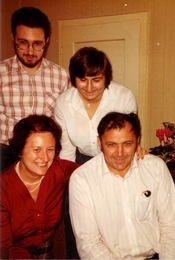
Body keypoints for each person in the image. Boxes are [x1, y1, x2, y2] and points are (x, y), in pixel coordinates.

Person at [54, 46, 146, 258]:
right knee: (79, 226)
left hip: (117, 160)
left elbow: (127, 137)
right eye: (82, 79)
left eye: (96, 79)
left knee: (116, 223)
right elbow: (67, 150)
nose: (89, 87)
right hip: (79, 162)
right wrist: (71, 185)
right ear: (73, 78)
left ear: (107, 77)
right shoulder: (64, 102)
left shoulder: (123, 97)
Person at [69, 112, 175, 259]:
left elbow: (173, 225)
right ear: (99, 142)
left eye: (127, 144)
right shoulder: (82, 179)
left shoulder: (156, 168)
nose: (120, 153)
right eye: (111, 145)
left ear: (138, 141)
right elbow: (89, 243)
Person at [0, 7, 70, 172]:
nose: (30, 51)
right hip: (5, 156)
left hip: (44, 158)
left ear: (46, 41)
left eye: (37, 44)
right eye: (23, 42)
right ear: (13, 38)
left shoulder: (61, 76)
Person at [0, 114, 79, 259]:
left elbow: (92, 171)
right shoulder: (3, 189)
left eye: (50, 149)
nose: (45, 158)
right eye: (37, 150)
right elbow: (4, 249)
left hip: (50, 253)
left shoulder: (58, 171)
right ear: (20, 150)